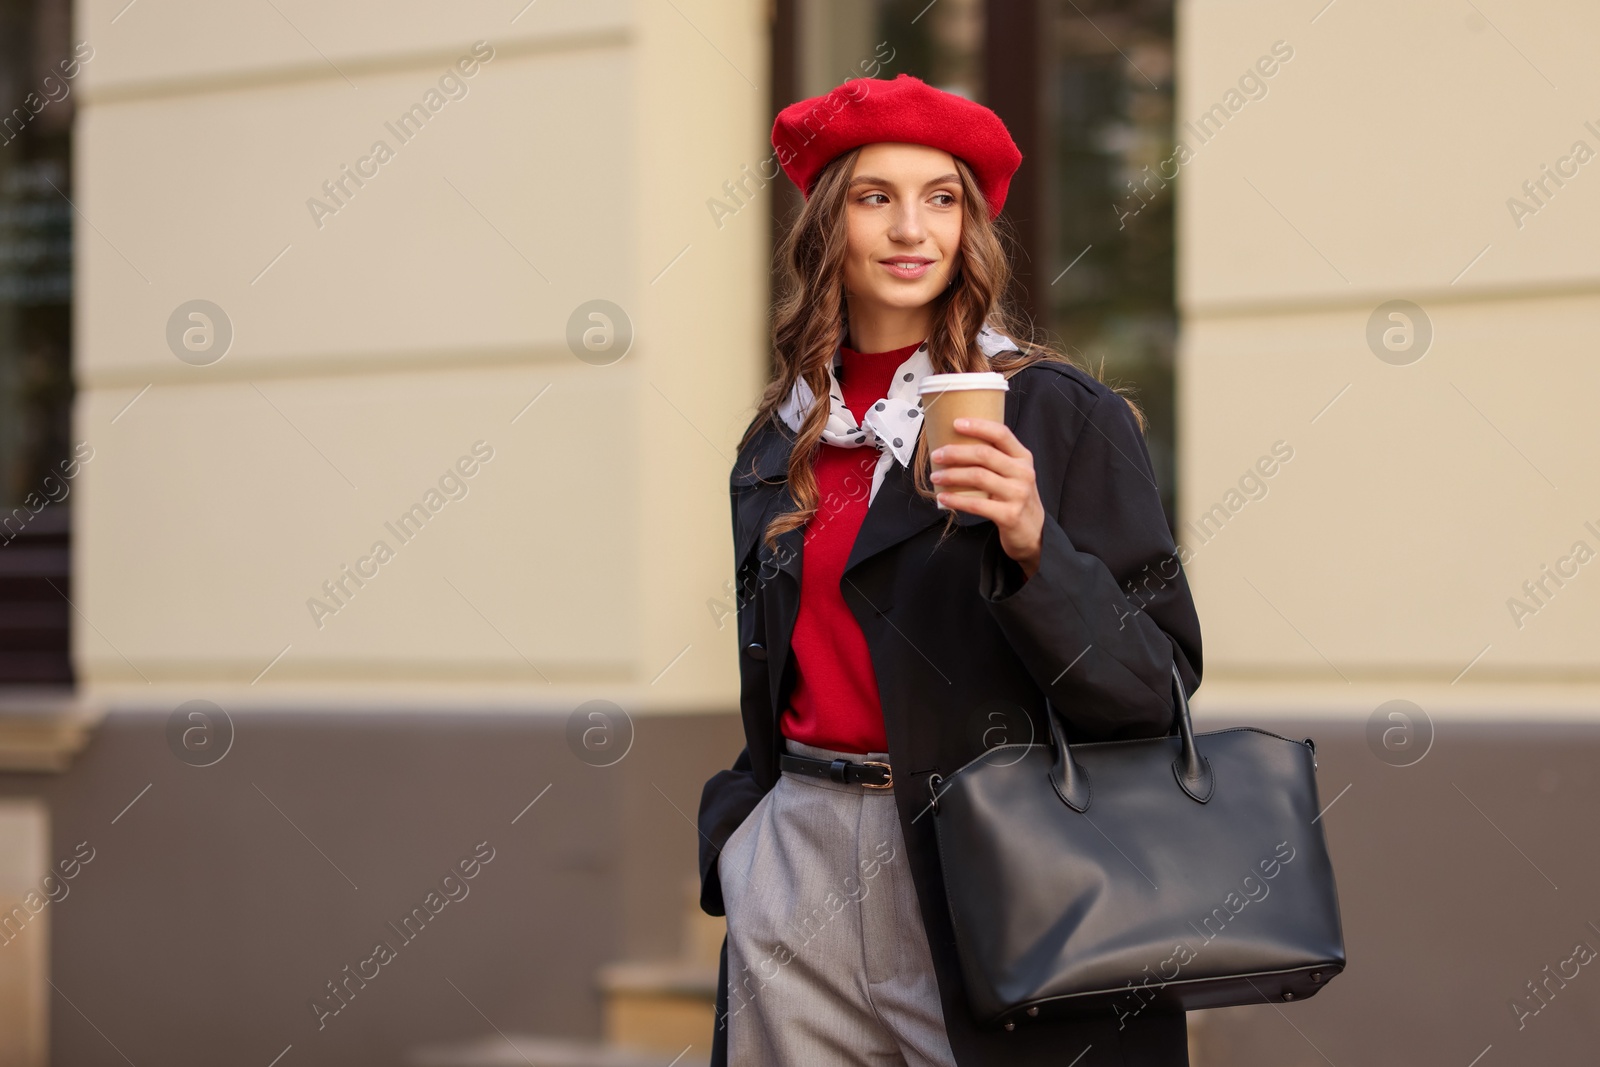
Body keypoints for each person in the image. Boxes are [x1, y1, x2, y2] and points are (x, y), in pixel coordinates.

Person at [696, 73, 1203, 1067]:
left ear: (969, 228)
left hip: (998, 864)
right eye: (872, 195)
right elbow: (780, 671)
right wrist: (740, 839)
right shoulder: (780, 439)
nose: (907, 226)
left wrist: (1031, 542)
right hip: (798, 860)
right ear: (824, 225)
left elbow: (1154, 684)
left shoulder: (1050, 412)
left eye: (940, 197)